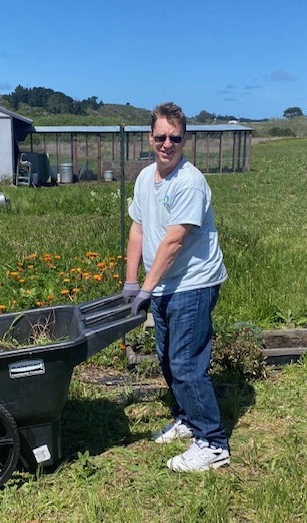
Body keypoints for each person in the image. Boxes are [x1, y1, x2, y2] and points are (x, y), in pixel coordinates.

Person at [122, 102, 229, 472]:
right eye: (161, 137)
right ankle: (187, 417)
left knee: (186, 362)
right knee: (168, 357)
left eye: (175, 138)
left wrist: (146, 289)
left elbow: (173, 242)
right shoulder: (144, 178)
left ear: (185, 139)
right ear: (150, 138)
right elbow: (137, 228)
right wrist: (130, 280)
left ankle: (212, 442)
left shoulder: (189, 182)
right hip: (163, 284)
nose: (167, 144)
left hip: (193, 283)